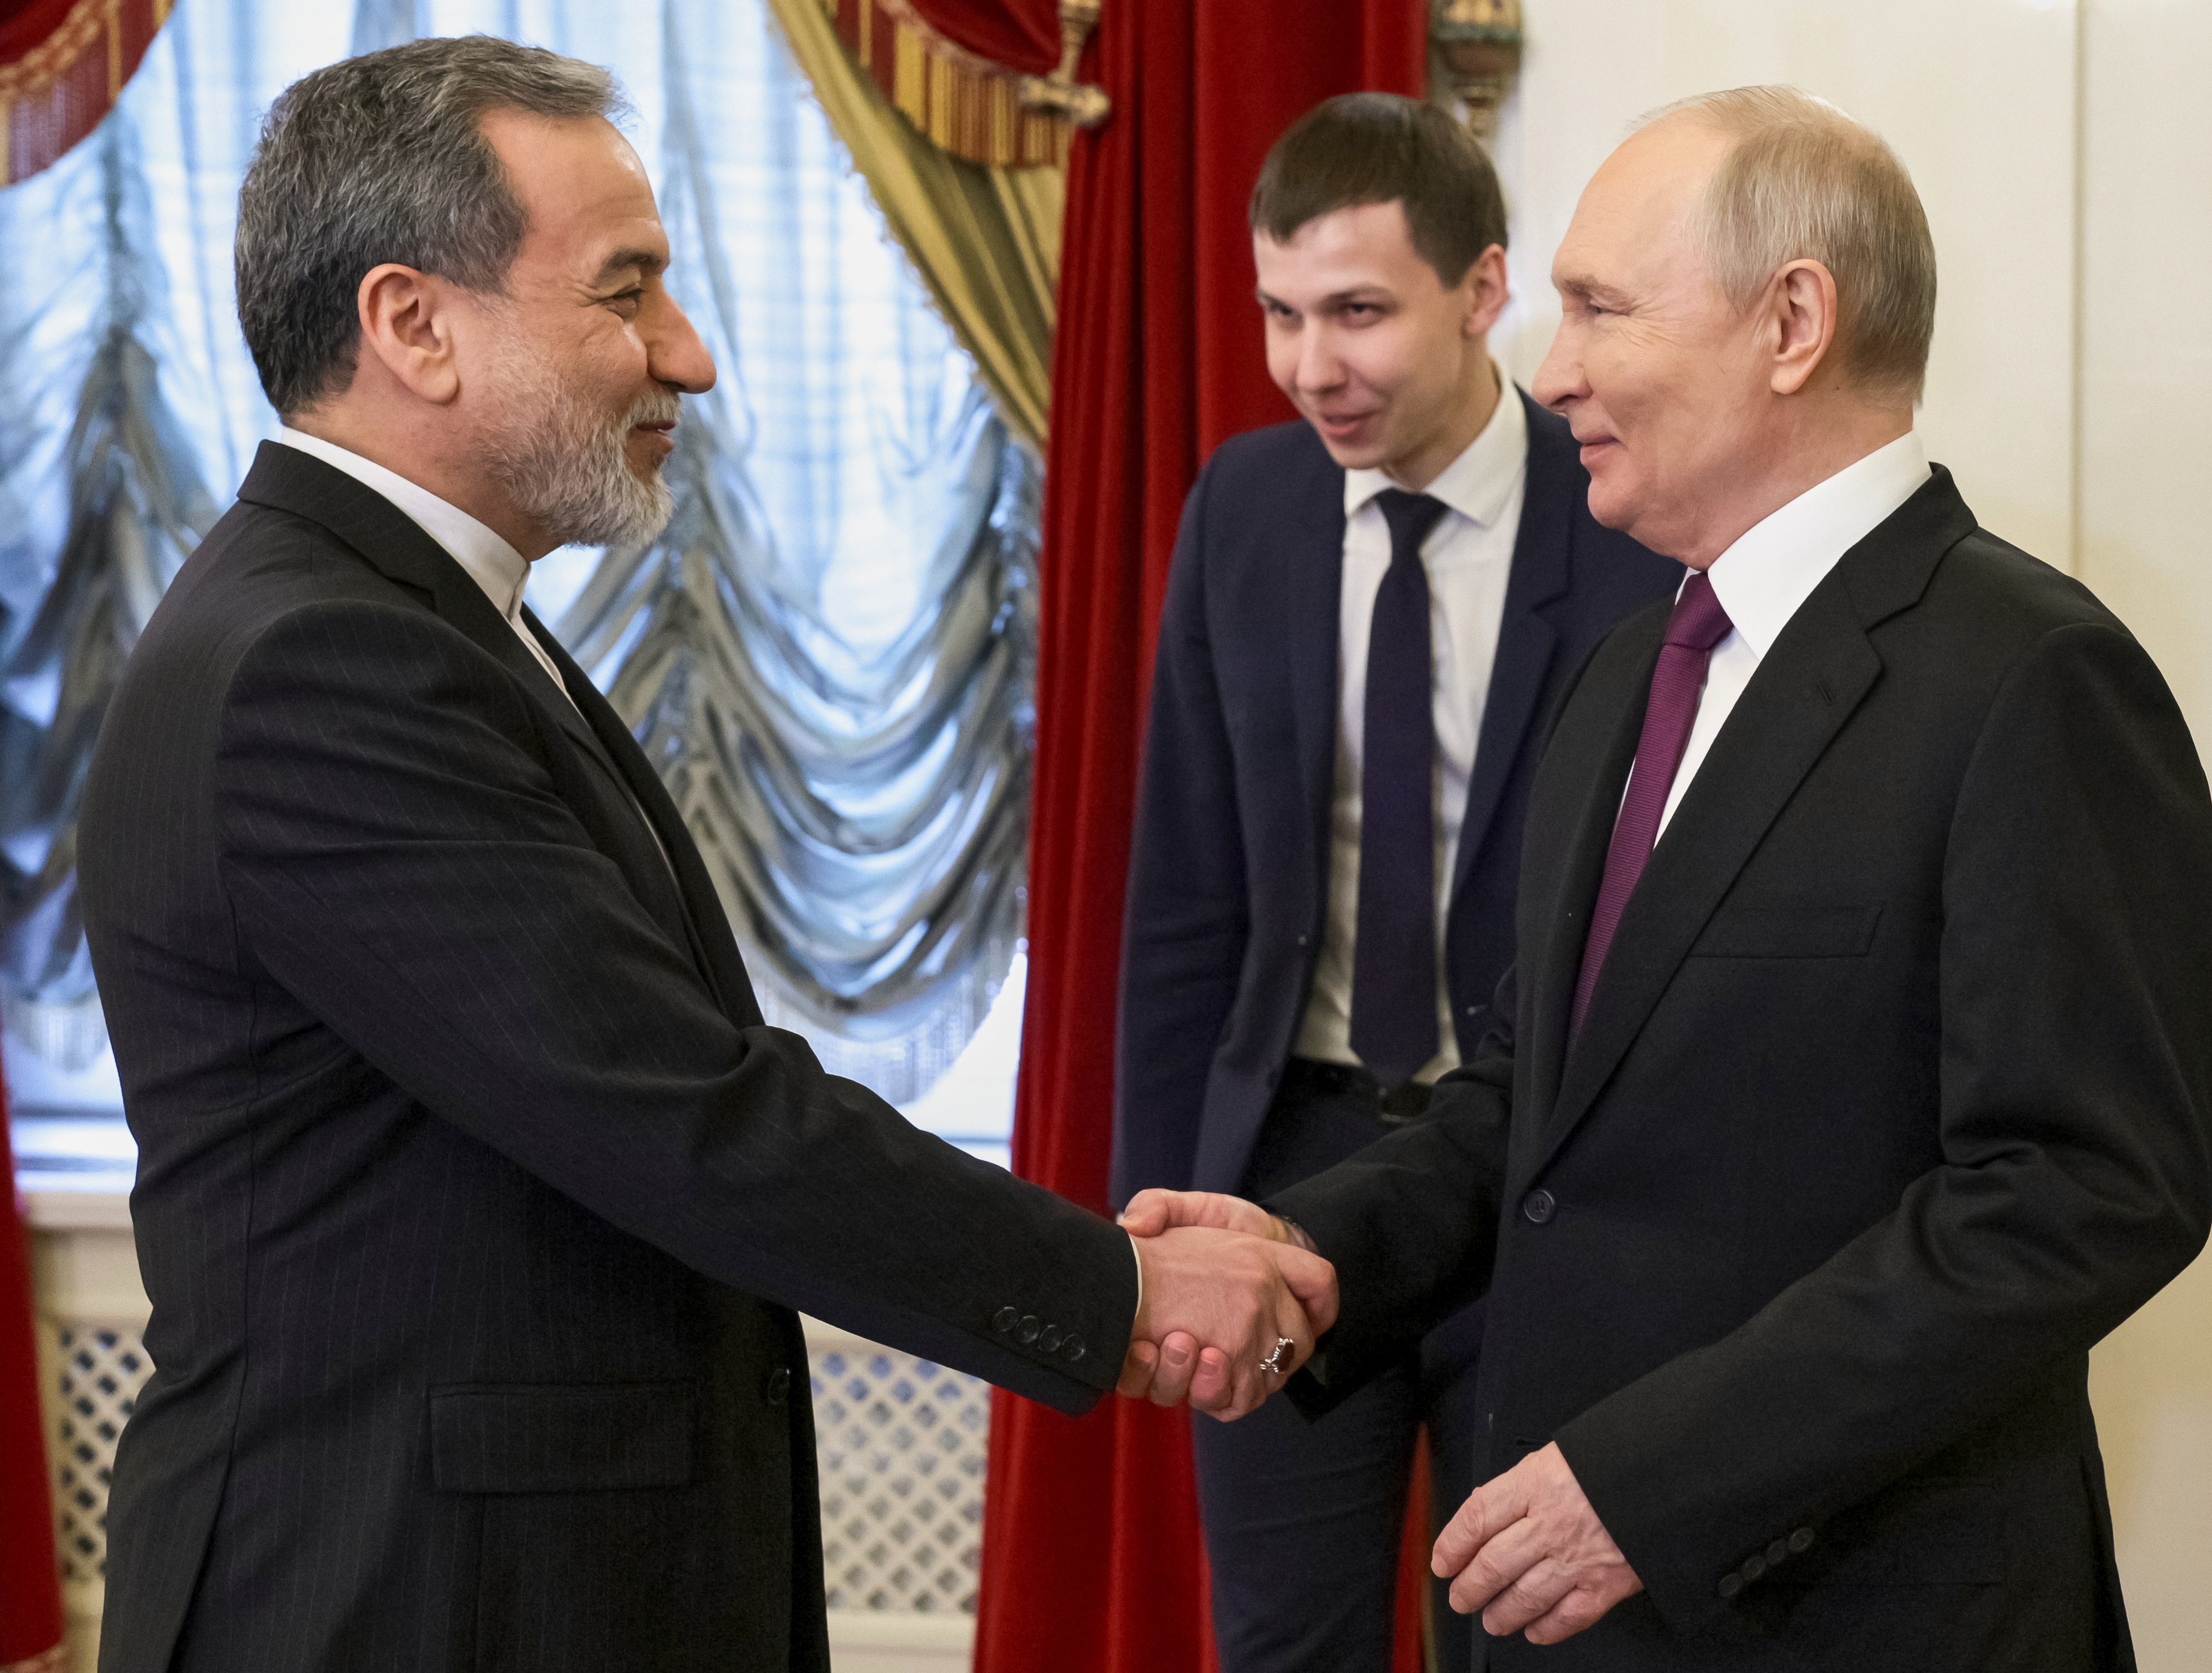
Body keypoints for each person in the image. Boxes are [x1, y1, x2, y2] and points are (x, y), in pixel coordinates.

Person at [75, 38, 1329, 1673]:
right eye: (626, 292)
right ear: (412, 326)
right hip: (398, 1598)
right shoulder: (325, 664)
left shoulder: (403, 619)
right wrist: (1114, 1290)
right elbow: (670, 1104)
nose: (690, 355)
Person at [1123, 85, 2212, 1671]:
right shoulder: (1639, 663)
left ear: (1791, 322)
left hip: (1856, 1612)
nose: (1550, 368)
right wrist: (1309, 1257)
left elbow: (2073, 1198)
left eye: (1596, 307)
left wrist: (1650, 1484)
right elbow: (1532, 1096)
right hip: (1572, 1607)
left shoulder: (2033, 677)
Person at [1112, 93, 1677, 1673]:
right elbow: (1184, 894)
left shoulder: (1628, 511)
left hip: (1543, 1179)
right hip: (1286, 1175)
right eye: (1280, 315)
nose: (1310, 368)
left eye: (1356, 313)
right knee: (1283, 1643)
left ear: (1482, 289)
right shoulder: (1245, 506)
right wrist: (1149, 1227)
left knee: (1526, 1642)